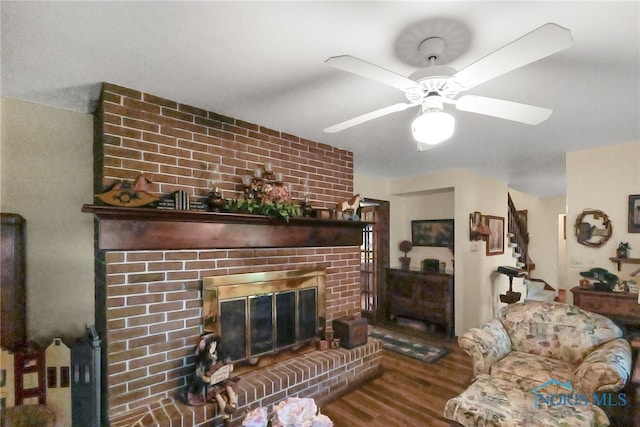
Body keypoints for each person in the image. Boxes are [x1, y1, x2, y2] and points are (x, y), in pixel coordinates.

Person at [187, 333, 240, 419]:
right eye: (211, 345)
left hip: (222, 377)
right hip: (211, 381)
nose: (213, 347)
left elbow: (228, 361)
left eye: (215, 344)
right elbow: (198, 372)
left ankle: (232, 397)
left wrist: (230, 366)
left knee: (228, 385)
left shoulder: (219, 355)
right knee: (215, 391)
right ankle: (223, 406)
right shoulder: (204, 361)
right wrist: (204, 378)